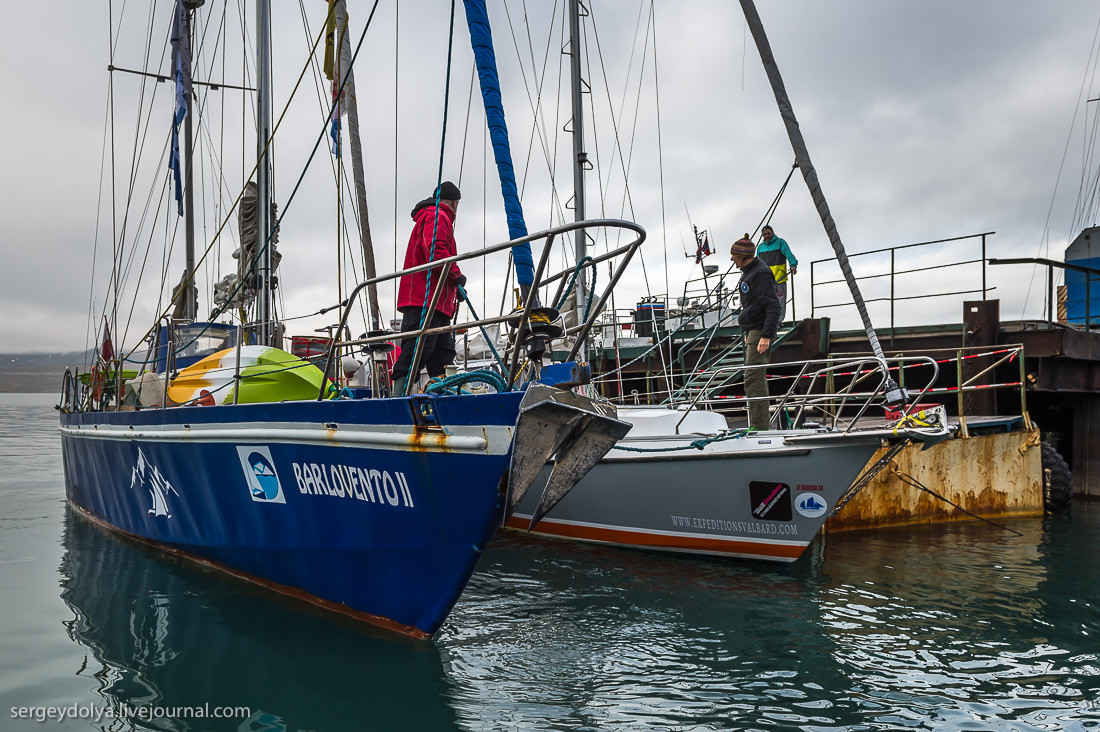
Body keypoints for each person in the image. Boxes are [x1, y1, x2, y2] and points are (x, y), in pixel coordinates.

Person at [390, 181, 467, 395]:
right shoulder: (438, 216)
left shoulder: (433, 216)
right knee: (417, 350)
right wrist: (457, 276)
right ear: (455, 202)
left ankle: (442, 397)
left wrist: (453, 285)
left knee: (442, 355)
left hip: (436, 301)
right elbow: (436, 251)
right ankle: (398, 399)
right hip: (424, 299)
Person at [731, 234, 782, 431]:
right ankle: (759, 424)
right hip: (754, 330)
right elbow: (753, 304)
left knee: (753, 376)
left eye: (734, 256)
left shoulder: (760, 273)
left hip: (761, 331)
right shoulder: (749, 272)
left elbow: (772, 306)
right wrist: (747, 329)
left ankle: (760, 426)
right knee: (752, 375)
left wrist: (766, 335)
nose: (732, 260)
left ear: (743, 256)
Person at [756, 225, 798, 322]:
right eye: (765, 234)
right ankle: (768, 320)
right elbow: (757, 263)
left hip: (779, 277)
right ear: (762, 235)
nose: (767, 236)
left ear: (773, 233)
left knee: (780, 300)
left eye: (769, 233)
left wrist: (793, 265)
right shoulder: (760, 247)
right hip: (766, 279)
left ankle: (778, 320)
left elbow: (789, 254)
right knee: (766, 301)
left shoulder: (780, 242)